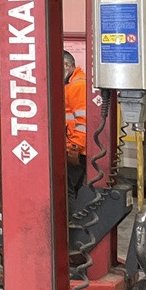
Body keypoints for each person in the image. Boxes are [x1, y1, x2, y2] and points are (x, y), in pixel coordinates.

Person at [64, 51, 87, 196]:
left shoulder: (77, 86)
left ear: (67, 65)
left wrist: (74, 147)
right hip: (74, 147)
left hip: (76, 149)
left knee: (67, 190)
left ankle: (68, 218)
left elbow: (83, 121)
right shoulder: (71, 84)